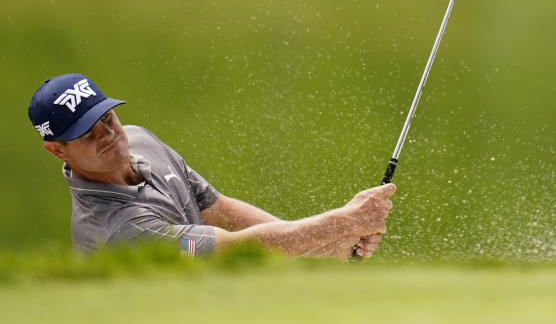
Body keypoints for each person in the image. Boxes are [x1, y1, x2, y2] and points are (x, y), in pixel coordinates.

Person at [28, 73, 393, 259]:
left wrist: (330, 244)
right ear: (57, 151)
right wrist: (344, 222)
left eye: (107, 118)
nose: (108, 135)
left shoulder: (139, 139)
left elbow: (216, 210)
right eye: (86, 134)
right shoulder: (117, 231)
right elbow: (230, 248)